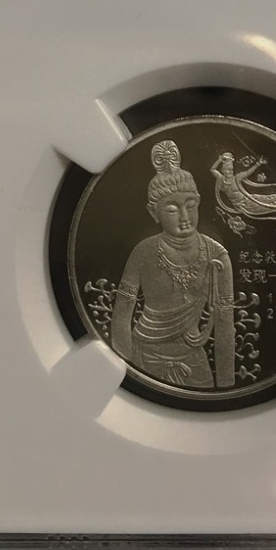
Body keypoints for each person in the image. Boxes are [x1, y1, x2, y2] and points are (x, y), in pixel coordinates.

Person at [111, 139, 235, 389]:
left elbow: (224, 325)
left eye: (190, 206)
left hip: (194, 358)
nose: (184, 217)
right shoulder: (143, 252)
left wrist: (227, 388)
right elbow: (121, 316)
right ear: (153, 212)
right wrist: (125, 374)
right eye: (171, 209)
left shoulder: (217, 255)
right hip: (144, 356)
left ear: (198, 202)